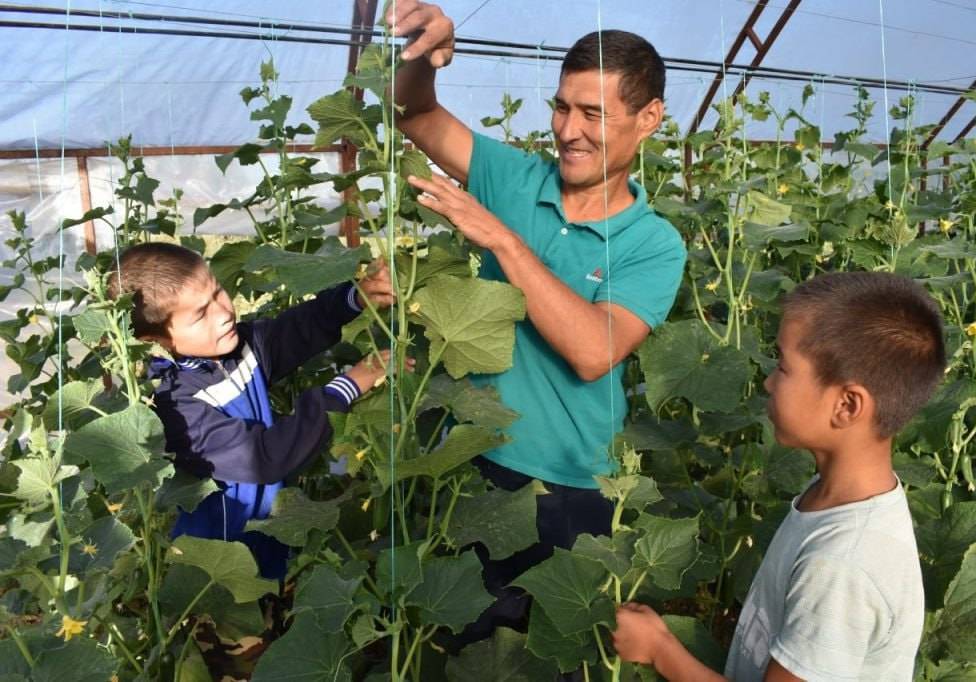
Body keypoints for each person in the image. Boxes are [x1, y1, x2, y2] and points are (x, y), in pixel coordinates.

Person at [384, 1, 687, 645]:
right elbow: (414, 114)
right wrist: (422, 53)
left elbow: (594, 350)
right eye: (561, 107)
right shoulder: (515, 178)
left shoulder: (654, 243)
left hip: (571, 484)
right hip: (474, 464)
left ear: (649, 118)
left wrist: (503, 240)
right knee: (466, 648)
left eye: (593, 113)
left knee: (555, 652)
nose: (569, 130)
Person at [612, 271, 947, 681]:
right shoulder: (835, 495)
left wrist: (661, 649)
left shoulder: (841, 565)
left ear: (846, 406)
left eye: (784, 367)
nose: (769, 381)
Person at [107, 242, 399, 579]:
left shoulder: (240, 348)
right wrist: (347, 386)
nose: (223, 313)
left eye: (218, 292)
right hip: (217, 561)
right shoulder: (174, 405)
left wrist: (356, 298)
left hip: (269, 530)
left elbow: (299, 329)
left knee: (273, 588)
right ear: (155, 340)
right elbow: (264, 457)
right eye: (201, 314)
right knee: (238, 605)